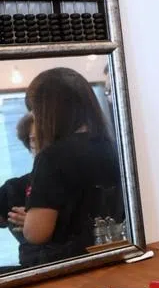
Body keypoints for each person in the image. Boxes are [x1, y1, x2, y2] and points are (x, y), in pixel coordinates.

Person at [15, 67, 123, 268]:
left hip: (69, 264)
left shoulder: (51, 158)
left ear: (48, 112)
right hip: (111, 255)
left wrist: (29, 219)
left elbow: (37, 233)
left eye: (36, 113)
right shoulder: (112, 147)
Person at [0, 113, 36, 249]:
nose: (40, 145)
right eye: (33, 139)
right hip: (33, 265)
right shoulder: (14, 188)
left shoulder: (78, 181)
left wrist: (36, 224)